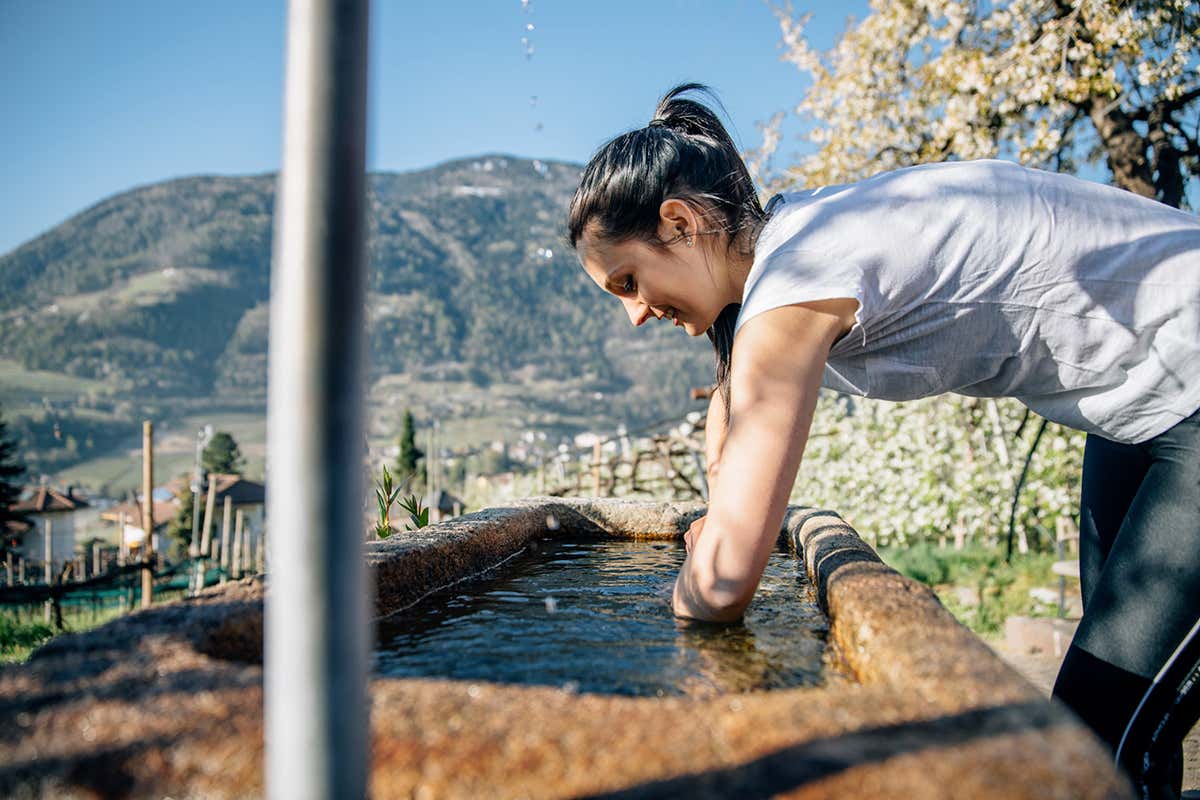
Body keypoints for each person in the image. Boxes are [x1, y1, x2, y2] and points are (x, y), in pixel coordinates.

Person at [567, 83, 1200, 798]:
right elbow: (732, 410)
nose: (633, 317)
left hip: (1190, 387)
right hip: (1143, 412)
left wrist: (657, 632)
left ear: (679, 223)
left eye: (627, 280)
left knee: (1096, 746)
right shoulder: (797, 238)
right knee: (1129, 712)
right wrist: (716, 518)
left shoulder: (795, 287)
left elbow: (721, 587)